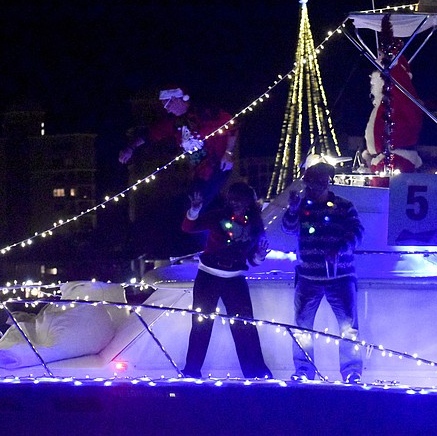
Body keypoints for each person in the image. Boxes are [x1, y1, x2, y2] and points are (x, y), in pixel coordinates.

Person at [281, 160, 365, 383]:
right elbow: (288, 228)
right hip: (308, 276)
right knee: (302, 327)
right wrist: (291, 209)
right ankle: (303, 370)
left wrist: (340, 248)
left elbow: (357, 232)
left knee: (349, 328)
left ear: (328, 181)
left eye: (318, 183)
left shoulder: (344, 206)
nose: (313, 188)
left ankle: (351, 372)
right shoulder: (301, 206)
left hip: (341, 276)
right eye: (309, 184)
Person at [179, 181, 272, 379]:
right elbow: (189, 227)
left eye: (240, 200)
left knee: (244, 325)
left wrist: (260, 255)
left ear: (248, 202)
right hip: (208, 276)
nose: (236, 204)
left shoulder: (254, 224)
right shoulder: (218, 216)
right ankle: (192, 372)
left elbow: (253, 260)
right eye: (232, 200)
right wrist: (194, 210)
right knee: (201, 324)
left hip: (235, 278)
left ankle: (255, 372)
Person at [119, 85, 237, 211]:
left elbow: (231, 124)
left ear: (177, 99)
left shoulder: (204, 112)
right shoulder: (175, 122)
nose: (168, 110)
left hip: (218, 165)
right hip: (199, 172)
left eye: (168, 105)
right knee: (191, 209)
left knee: (202, 207)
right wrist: (131, 148)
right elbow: (151, 134)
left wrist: (228, 153)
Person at [362, 16, 424, 176]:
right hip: (381, 160)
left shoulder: (399, 93)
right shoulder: (386, 98)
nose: (378, 60)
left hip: (393, 161)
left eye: (381, 56)